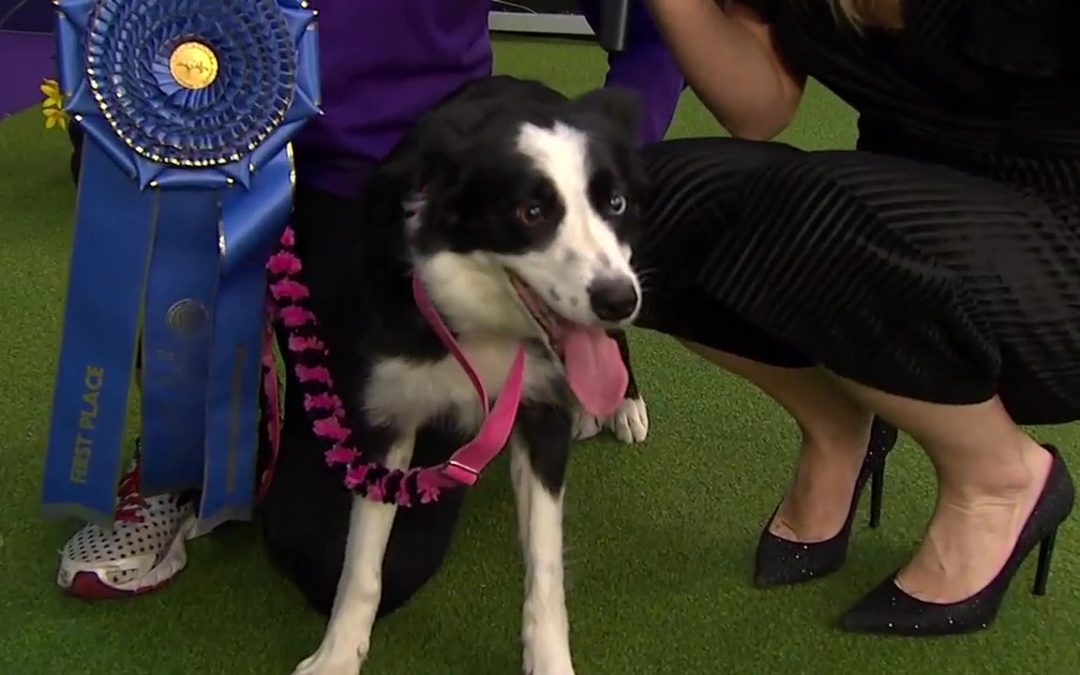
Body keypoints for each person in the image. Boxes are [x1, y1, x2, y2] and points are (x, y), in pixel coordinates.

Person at [55, 0, 684, 599]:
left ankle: (565, 339)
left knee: (327, 555)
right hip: (202, 138)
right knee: (134, 161)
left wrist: (595, 161)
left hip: (388, 183)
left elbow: (656, 28)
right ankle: (184, 450)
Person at [628, 0, 1079, 635]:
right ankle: (836, 421)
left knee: (816, 204)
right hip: (885, 219)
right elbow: (760, 107)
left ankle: (999, 477)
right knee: (637, 208)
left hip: (1057, 263)